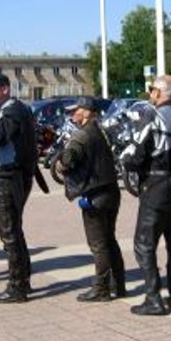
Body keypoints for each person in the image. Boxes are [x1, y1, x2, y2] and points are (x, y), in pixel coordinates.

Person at [122, 75, 171, 315]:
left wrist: (128, 164)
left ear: (161, 93)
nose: (150, 94)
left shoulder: (153, 115)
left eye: (152, 90)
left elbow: (135, 153)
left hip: (156, 185)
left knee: (144, 244)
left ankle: (153, 298)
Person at [56, 96, 125, 301]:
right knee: (110, 239)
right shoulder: (102, 130)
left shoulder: (82, 135)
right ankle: (118, 285)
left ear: (86, 112)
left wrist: (60, 163)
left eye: (75, 110)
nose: (72, 114)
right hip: (112, 191)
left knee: (98, 243)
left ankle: (101, 288)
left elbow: (68, 159)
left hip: (96, 194)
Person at [0, 72, 38, 303]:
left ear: (5, 89)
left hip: (9, 177)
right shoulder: (11, 110)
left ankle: (17, 286)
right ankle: (23, 280)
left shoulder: (13, 110)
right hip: (11, 175)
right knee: (14, 231)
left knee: (9, 233)